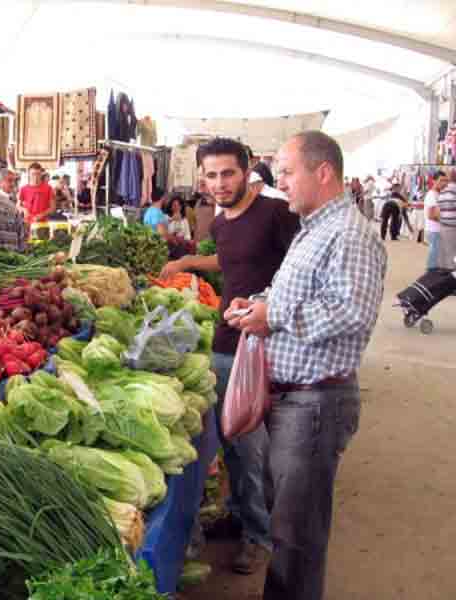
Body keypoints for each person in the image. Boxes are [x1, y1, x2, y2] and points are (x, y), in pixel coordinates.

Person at [225, 131, 386, 600]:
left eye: (288, 171)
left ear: (323, 172)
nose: (280, 182)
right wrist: (255, 305)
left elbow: (351, 310)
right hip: (294, 401)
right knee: (288, 524)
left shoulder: (349, 234)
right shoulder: (314, 229)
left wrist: (271, 316)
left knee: (297, 537)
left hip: (315, 404)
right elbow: (293, 297)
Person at [161, 137, 299, 575]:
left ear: (247, 171)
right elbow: (228, 260)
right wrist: (186, 264)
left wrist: (268, 310)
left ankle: (258, 537)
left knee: (252, 446)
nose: (219, 183)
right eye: (211, 175)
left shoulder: (277, 213)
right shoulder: (220, 222)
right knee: (229, 439)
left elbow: (301, 273)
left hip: (266, 344)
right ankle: (240, 514)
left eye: (228, 173)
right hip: (225, 342)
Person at [424, 171, 449, 271]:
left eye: (446, 181)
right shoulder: (432, 195)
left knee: (437, 256)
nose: (444, 183)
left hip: (438, 230)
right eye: (441, 180)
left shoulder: (439, 194)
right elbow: (431, 215)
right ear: (434, 181)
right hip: (434, 230)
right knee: (434, 258)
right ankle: (430, 277)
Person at [436, 169, 456, 271]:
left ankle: (446, 272)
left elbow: (439, 210)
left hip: (444, 225)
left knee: (446, 251)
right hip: (453, 226)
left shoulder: (442, 192)